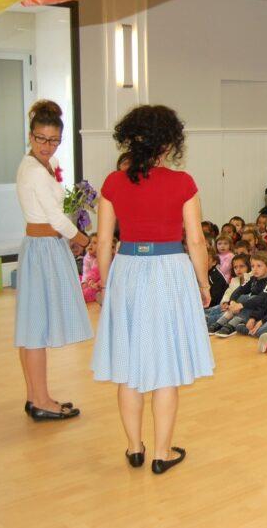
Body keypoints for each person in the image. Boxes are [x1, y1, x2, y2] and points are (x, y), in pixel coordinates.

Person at [92, 105, 215, 474]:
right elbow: (195, 242)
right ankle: (161, 454)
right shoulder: (183, 184)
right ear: (168, 144)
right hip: (169, 273)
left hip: (127, 270)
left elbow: (102, 243)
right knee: (165, 367)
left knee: (130, 366)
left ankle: (134, 448)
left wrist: (103, 284)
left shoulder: (114, 183)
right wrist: (204, 282)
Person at [16, 100, 92, 421]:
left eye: (53, 140)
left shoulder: (45, 164)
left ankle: (36, 396)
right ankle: (41, 400)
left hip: (46, 246)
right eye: (41, 139)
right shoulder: (34, 171)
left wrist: (69, 237)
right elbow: (57, 220)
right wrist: (84, 240)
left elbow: (59, 215)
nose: (47, 146)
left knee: (34, 325)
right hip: (42, 248)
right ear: (31, 136)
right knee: (35, 328)